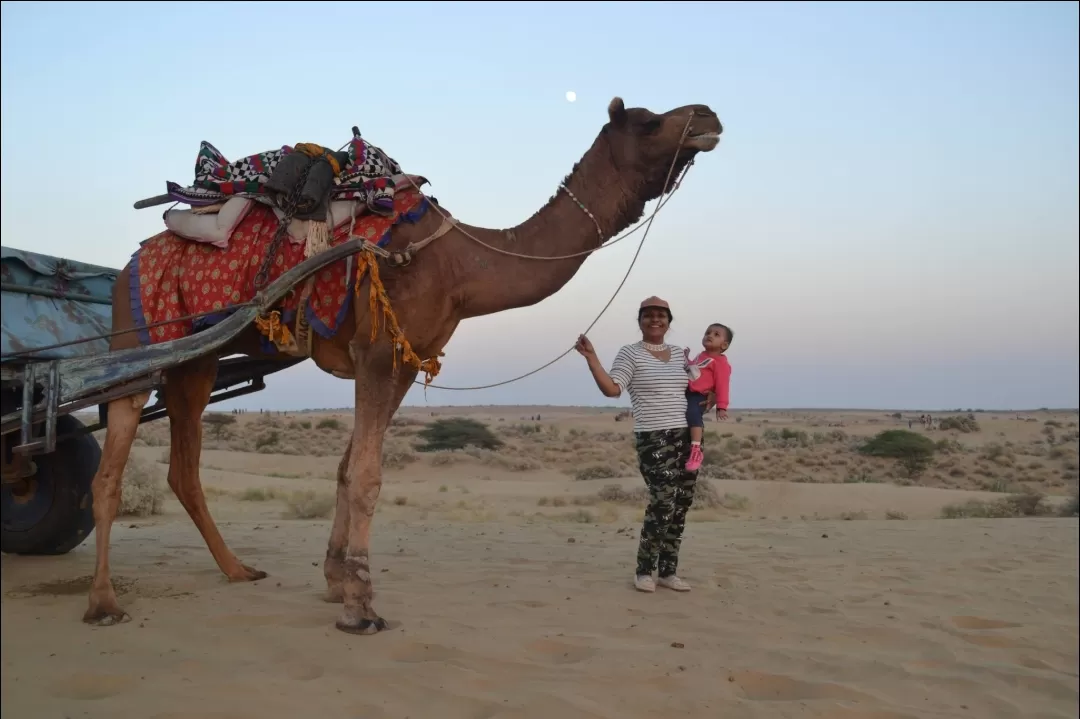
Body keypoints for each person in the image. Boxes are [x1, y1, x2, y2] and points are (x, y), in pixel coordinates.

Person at [574, 296, 710, 594]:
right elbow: (612, 389)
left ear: (669, 321)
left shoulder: (679, 355)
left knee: (681, 505)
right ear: (640, 321)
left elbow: (696, 390)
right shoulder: (630, 354)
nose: (655, 319)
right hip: (653, 436)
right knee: (662, 502)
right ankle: (644, 570)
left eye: (661, 314)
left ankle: (668, 572)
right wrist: (591, 358)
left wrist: (710, 400)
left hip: (687, 437)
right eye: (648, 315)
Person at [683, 323, 733, 471]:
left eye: (716, 334)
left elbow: (723, 385)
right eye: (708, 332)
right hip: (687, 392)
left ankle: (695, 450)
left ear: (724, 345)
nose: (709, 335)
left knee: (692, 413)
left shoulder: (721, 363)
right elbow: (693, 370)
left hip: (700, 395)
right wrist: (686, 358)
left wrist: (722, 406)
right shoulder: (701, 356)